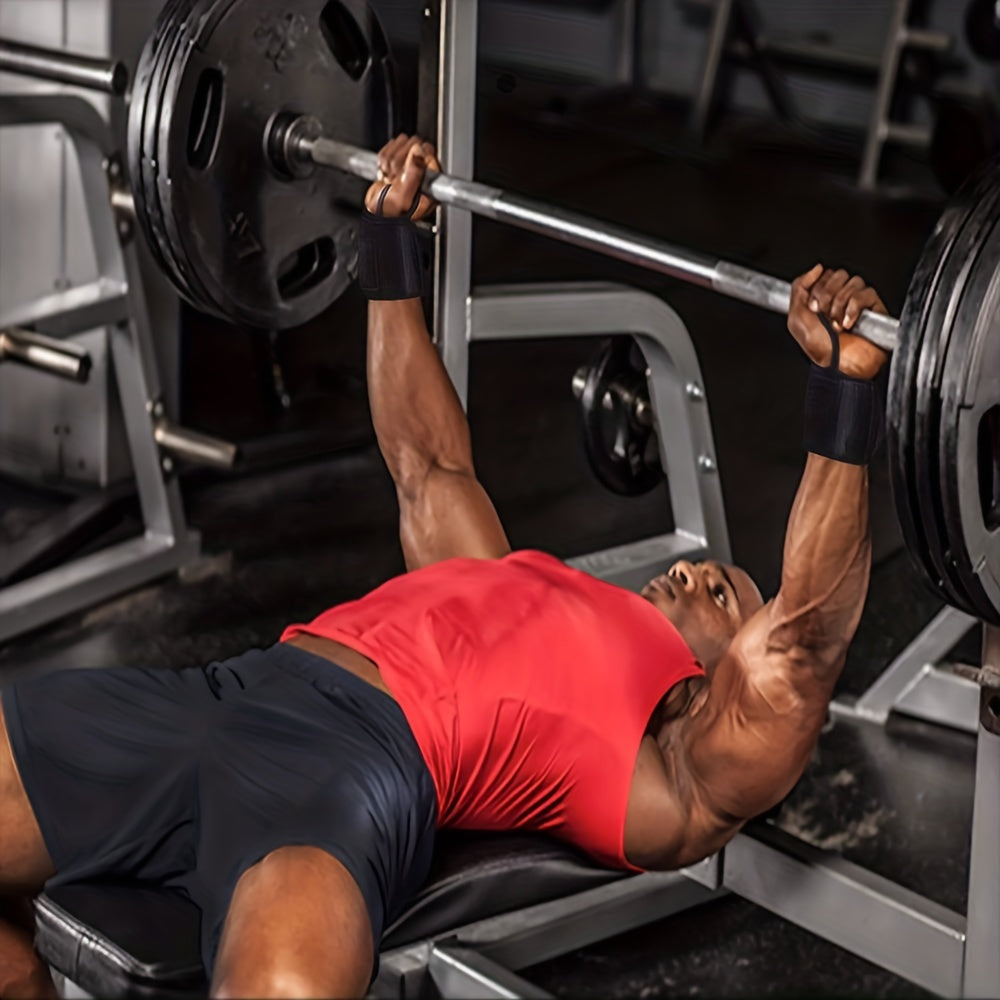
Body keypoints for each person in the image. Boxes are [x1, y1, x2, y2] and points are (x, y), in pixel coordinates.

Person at [0, 134, 889, 1000]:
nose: (696, 572)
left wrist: (846, 391)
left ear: (721, 671)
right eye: (705, 570)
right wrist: (391, 241)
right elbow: (427, 464)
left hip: (342, 775)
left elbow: (803, 647)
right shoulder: (507, 575)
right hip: (222, 693)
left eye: (724, 591)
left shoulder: (673, 762)